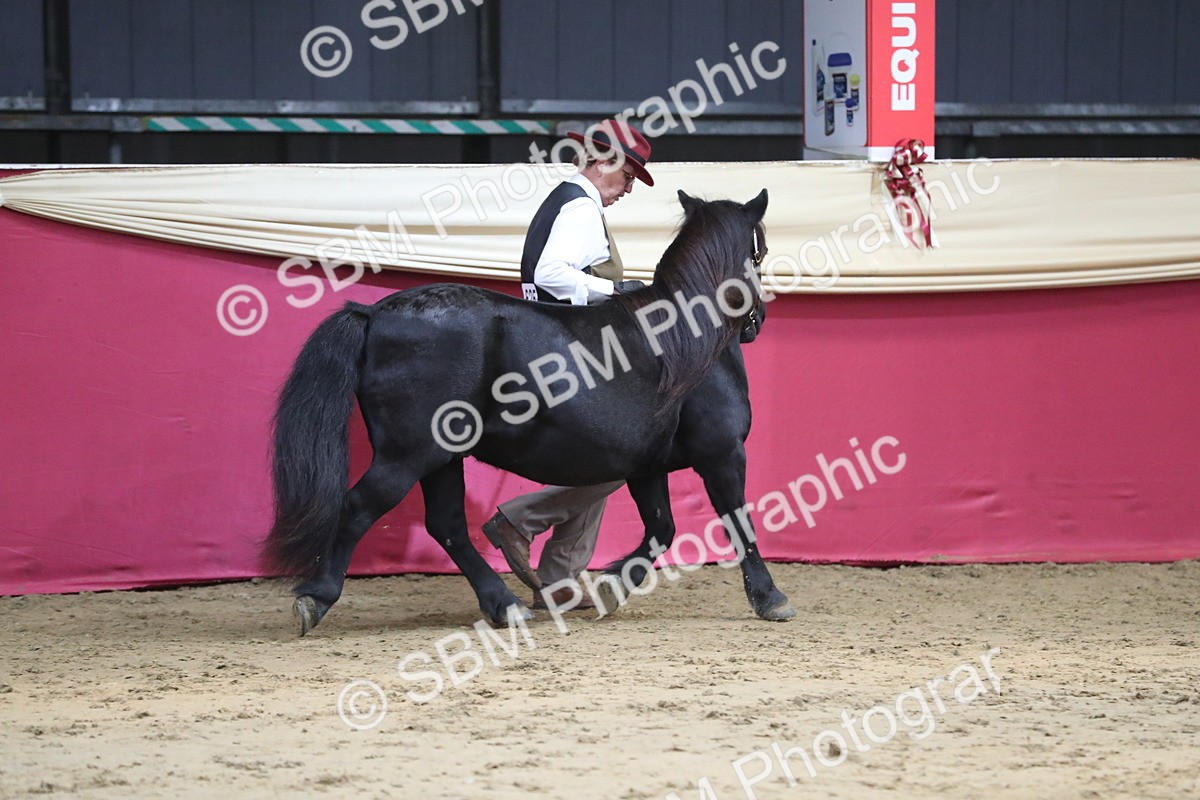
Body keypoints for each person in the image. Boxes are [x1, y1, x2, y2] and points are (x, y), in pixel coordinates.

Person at [483, 119, 654, 610]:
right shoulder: (580, 206)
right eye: (627, 177)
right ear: (604, 165)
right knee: (629, 453)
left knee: (607, 453)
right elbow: (551, 273)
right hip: (567, 346)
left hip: (552, 338)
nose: (626, 190)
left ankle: (559, 581)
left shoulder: (568, 200)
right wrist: (617, 291)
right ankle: (521, 521)